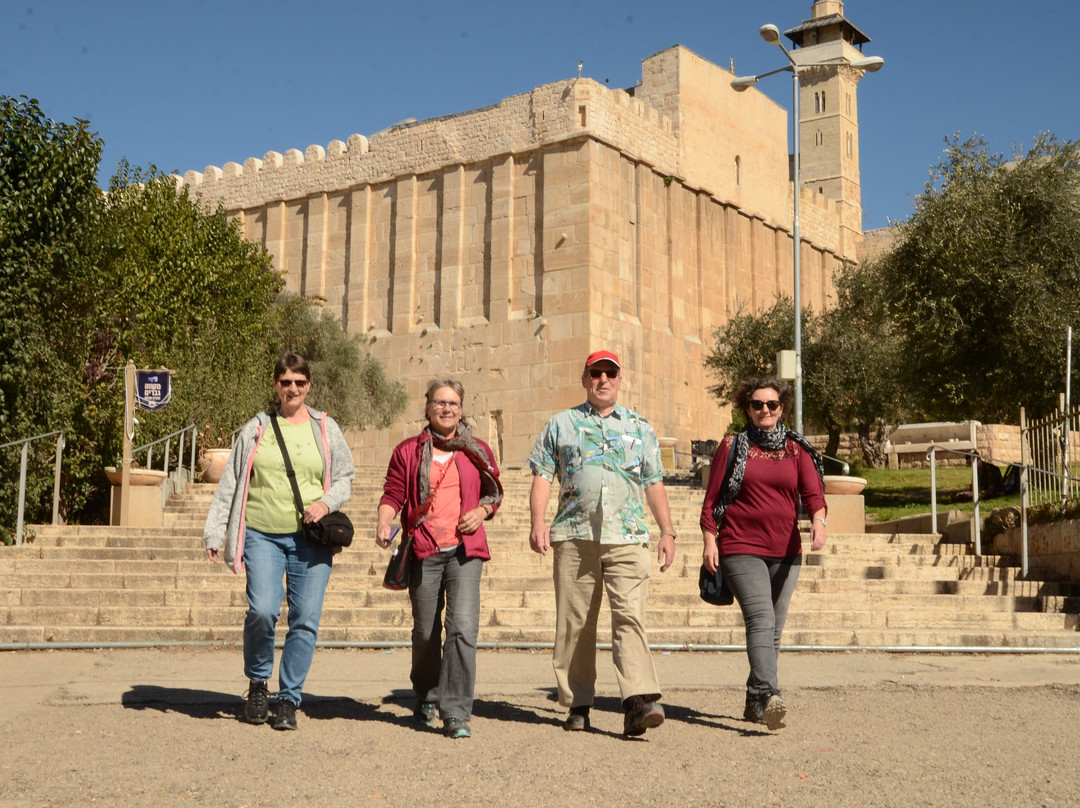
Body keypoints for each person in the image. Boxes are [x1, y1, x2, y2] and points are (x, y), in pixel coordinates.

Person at [527, 350, 677, 736]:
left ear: (620, 380)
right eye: (596, 373)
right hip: (575, 535)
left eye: (610, 373)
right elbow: (543, 476)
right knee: (575, 623)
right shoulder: (560, 425)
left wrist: (667, 531)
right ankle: (579, 703)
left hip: (627, 537)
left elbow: (653, 482)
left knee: (630, 616)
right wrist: (537, 522)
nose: (603, 380)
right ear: (585, 379)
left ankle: (639, 701)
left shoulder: (641, 428)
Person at [203, 352, 355, 731]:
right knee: (263, 610)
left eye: (299, 382)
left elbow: (345, 477)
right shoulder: (256, 428)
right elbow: (232, 482)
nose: (292, 389)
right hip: (261, 533)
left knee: (305, 619)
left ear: (309, 386)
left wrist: (325, 503)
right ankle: (258, 683)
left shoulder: (325, 427)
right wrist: (215, 529)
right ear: (275, 385)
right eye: (285, 382)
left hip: (310, 538)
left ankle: (288, 698)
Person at [376, 379, 502, 740]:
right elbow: (394, 492)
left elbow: (493, 492)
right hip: (424, 547)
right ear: (428, 407)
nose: (447, 409)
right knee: (426, 632)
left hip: (465, 551)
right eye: (440, 402)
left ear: (461, 409)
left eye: (454, 403)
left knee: (462, 628)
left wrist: (481, 512)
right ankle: (428, 694)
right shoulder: (408, 451)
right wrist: (384, 522)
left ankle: (457, 711)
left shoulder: (476, 450)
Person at [699, 375, 826, 731]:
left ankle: (755, 699)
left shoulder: (795, 448)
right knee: (760, 618)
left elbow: (813, 494)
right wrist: (711, 540)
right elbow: (712, 501)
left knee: (773, 629)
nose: (765, 410)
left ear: (781, 408)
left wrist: (819, 521)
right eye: (757, 404)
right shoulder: (732, 445)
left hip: (786, 551)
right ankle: (771, 694)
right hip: (741, 547)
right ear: (748, 409)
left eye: (771, 404)